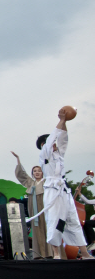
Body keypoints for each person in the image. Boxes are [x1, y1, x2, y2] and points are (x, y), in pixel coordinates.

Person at [36, 110, 93, 260]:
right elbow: (52, 140)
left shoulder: (59, 155)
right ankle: (56, 254)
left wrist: (65, 122)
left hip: (64, 190)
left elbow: (63, 139)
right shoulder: (44, 155)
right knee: (54, 220)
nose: (54, 144)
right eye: (50, 142)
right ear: (44, 145)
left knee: (73, 219)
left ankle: (85, 253)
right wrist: (61, 120)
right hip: (52, 190)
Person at [12, 151, 59, 258]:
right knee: (37, 229)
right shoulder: (30, 183)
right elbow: (21, 174)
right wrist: (18, 159)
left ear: (43, 172)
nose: (37, 173)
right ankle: (40, 253)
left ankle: (52, 253)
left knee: (48, 227)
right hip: (34, 208)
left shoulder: (46, 182)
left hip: (45, 208)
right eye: (34, 171)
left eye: (39, 171)